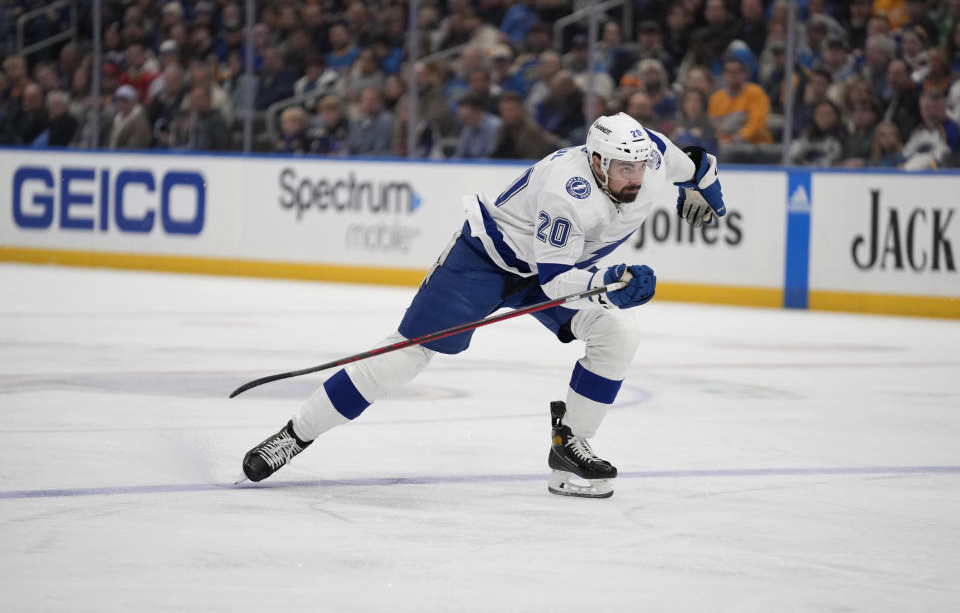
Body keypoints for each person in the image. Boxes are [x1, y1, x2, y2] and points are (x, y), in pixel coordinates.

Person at [239, 112, 727, 499]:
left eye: (640, 167)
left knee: (619, 334)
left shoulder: (654, 156)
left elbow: (697, 165)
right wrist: (611, 280)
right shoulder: (568, 188)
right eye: (624, 169)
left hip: (553, 270)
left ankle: (569, 448)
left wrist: (709, 186)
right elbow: (558, 282)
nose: (636, 178)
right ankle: (294, 435)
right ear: (597, 162)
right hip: (487, 261)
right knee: (405, 355)